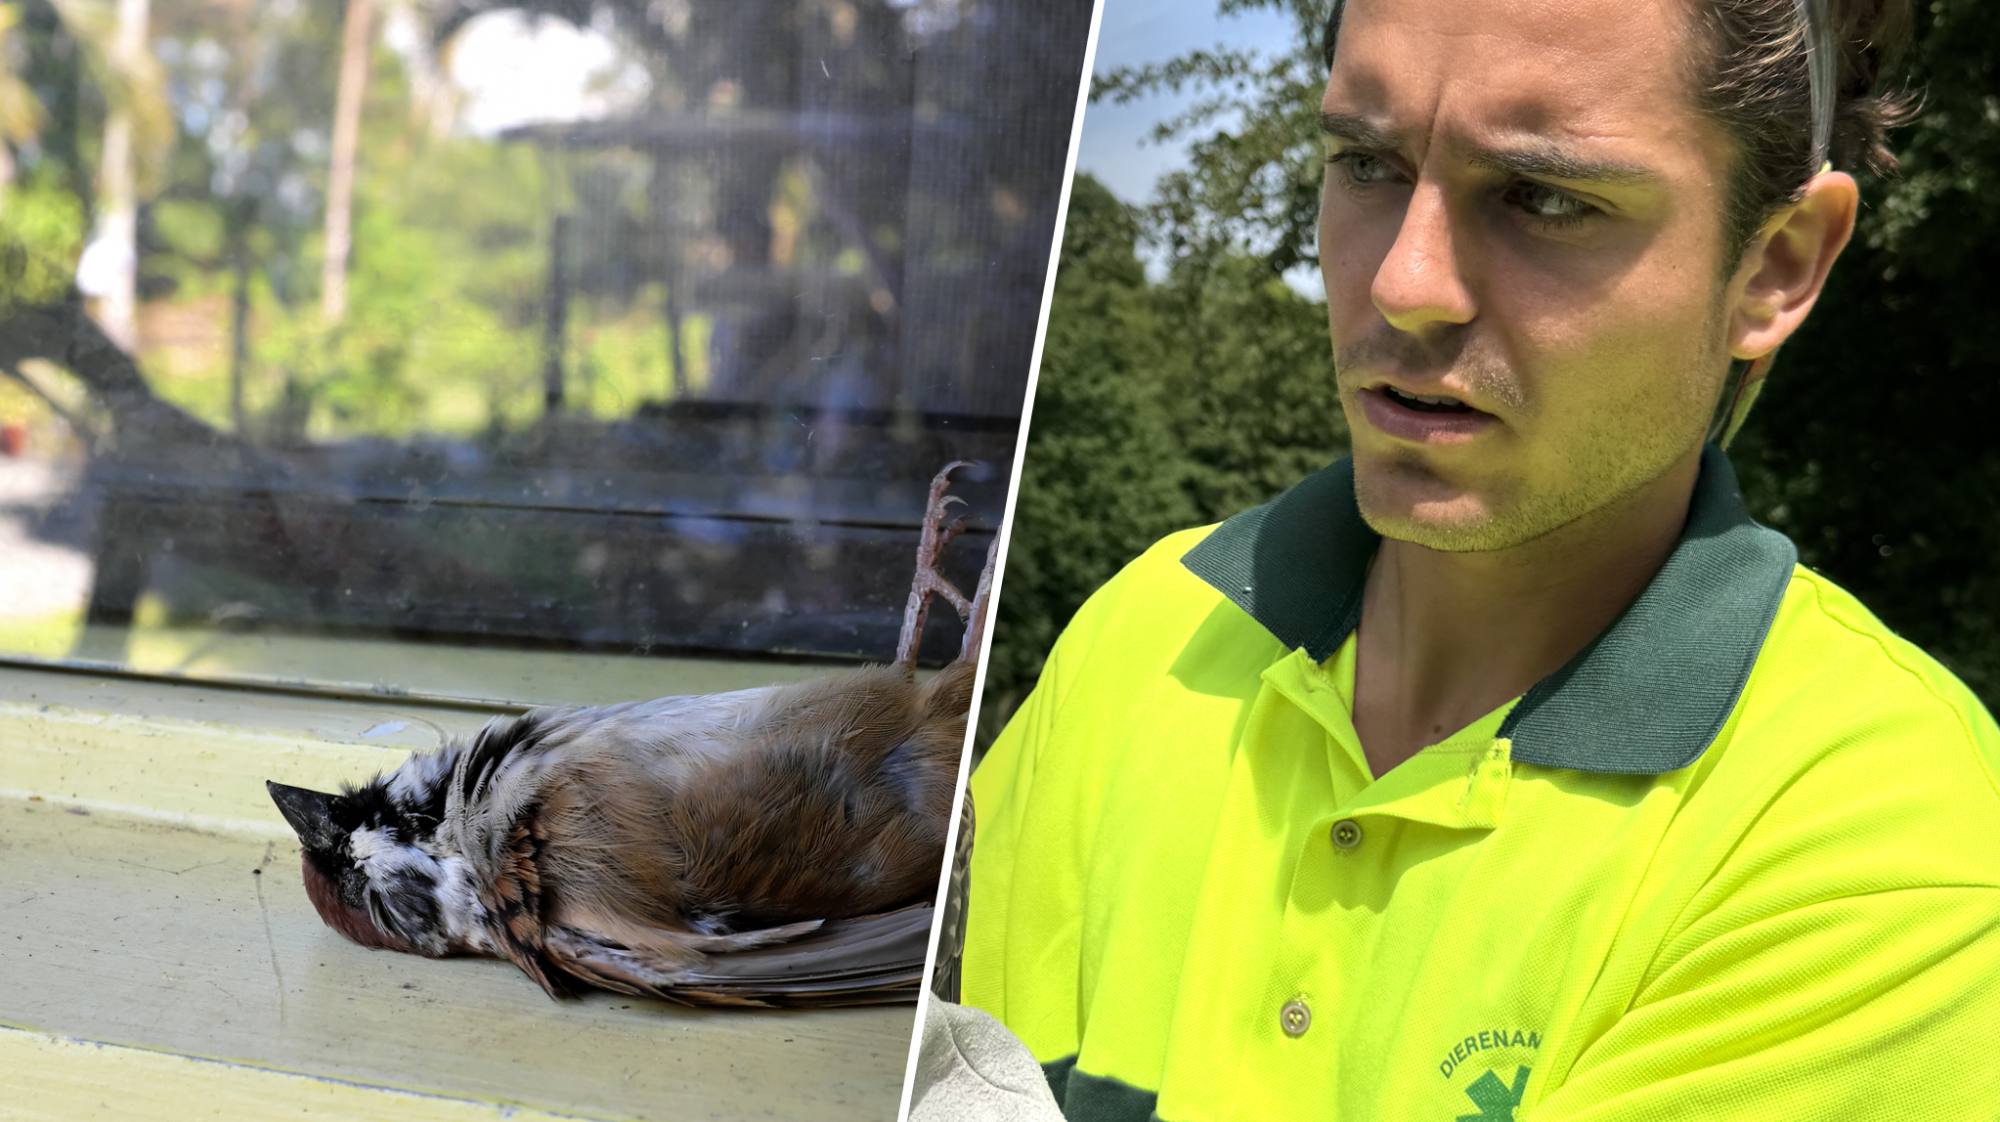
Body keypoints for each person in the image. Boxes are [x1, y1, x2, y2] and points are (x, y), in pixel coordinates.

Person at [958, 0, 2000, 1117]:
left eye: (1544, 197)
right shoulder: (1146, 630)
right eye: (1366, 164)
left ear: (1775, 267)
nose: (1404, 286)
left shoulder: (1889, 847)